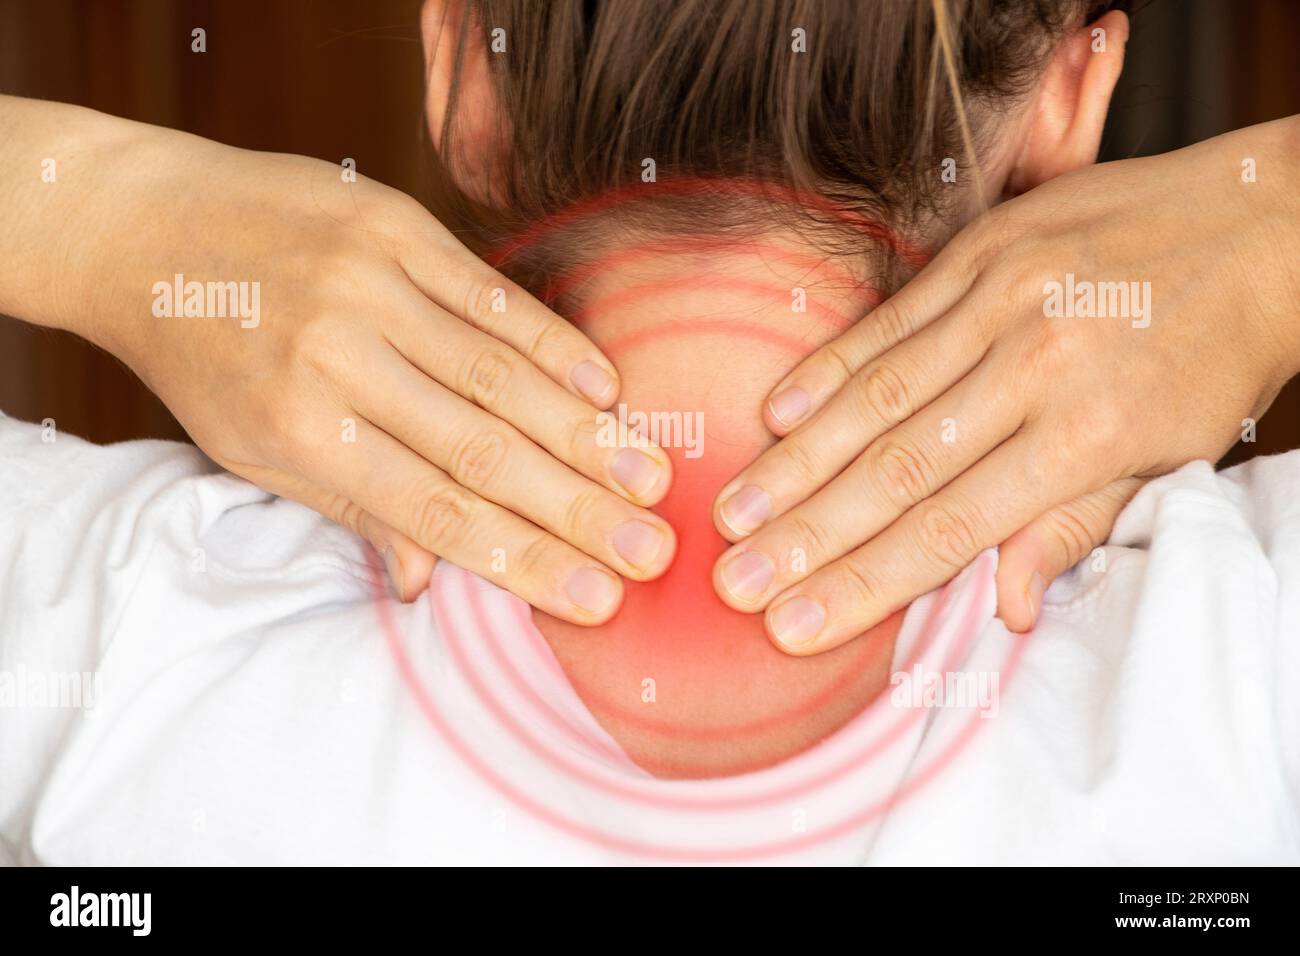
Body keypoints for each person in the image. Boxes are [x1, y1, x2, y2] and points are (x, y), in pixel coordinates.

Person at [0, 0, 1296, 862]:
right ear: (1076, 93)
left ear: (456, 65)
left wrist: (100, 209)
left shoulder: (100, 622)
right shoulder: (1248, 658)